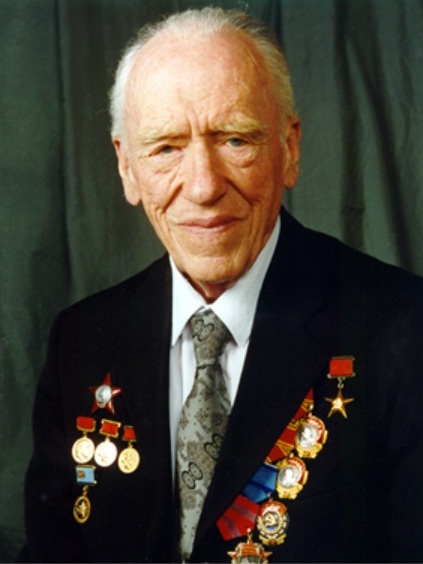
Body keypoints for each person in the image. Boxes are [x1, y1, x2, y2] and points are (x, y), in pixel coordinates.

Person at [18, 6, 423, 563]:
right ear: (127, 167)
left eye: (235, 140)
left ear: (289, 148)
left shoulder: (404, 329)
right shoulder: (82, 340)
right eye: (166, 148)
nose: (204, 186)